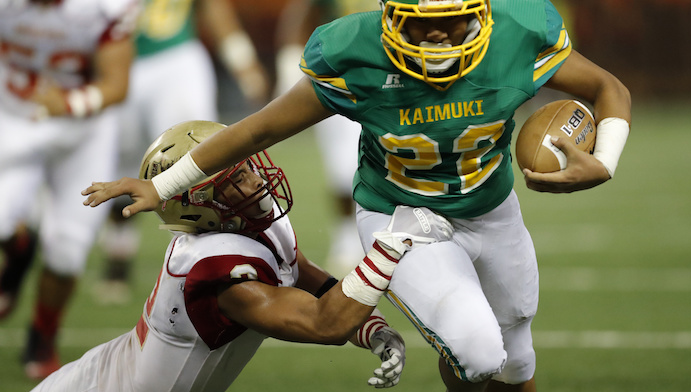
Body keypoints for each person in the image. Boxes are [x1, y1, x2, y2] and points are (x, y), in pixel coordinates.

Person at [82, 0, 632, 392]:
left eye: (455, 20)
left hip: (491, 208)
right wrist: (165, 186)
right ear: (387, 15)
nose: (437, 36)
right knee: (478, 351)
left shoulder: (518, 30)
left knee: (516, 354)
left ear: (484, 11)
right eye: (418, 22)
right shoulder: (356, 53)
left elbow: (608, 88)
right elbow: (259, 129)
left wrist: (604, 161)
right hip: (403, 219)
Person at [38, 120, 452, 391]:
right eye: (234, 180)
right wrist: (391, 245)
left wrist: (371, 328)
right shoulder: (216, 271)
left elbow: (303, 274)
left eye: (246, 167)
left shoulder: (246, 222)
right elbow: (323, 323)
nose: (255, 181)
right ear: (197, 206)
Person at [86, 0, 270, 302]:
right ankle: (118, 258)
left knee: (203, 158)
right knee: (122, 161)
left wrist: (240, 58)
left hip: (177, 59)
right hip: (120, 62)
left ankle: (215, 256)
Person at [0, 0, 140, 380]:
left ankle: (42, 334)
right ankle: (19, 246)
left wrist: (70, 101)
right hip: (11, 119)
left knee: (67, 248)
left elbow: (116, 84)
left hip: (84, 131)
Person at [275, 0, 415, 275]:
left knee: (410, 157)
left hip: (406, 69)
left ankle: (411, 231)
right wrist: (289, 59)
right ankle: (345, 237)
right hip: (346, 71)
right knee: (342, 166)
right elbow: (302, 10)